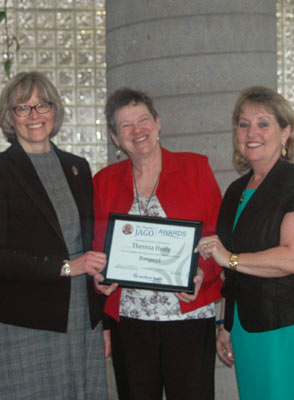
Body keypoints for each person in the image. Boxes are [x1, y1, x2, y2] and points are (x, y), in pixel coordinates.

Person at [196, 86, 294, 399]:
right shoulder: (236, 190)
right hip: (248, 328)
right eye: (243, 124)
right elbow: (230, 274)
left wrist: (230, 258)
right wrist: (226, 322)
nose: (252, 133)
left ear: (285, 131)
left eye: (263, 124)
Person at [0, 71, 108, 399]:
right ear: (10, 117)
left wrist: (103, 280)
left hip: (80, 318)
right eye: (23, 108)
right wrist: (65, 266)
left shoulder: (78, 167)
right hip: (26, 318)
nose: (34, 116)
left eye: (42, 105)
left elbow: (90, 241)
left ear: (54, 111)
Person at [92, 88, 223, 400]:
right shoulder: (104, 181)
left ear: (158, 123)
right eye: (125, 125)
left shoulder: (196, 168)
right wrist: (102, 282)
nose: (138, 131)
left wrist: (202, 272)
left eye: (143, 119)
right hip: (130, 321)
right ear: (114, 137)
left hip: (188, 316)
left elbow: (218, 236)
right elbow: (99, 249)